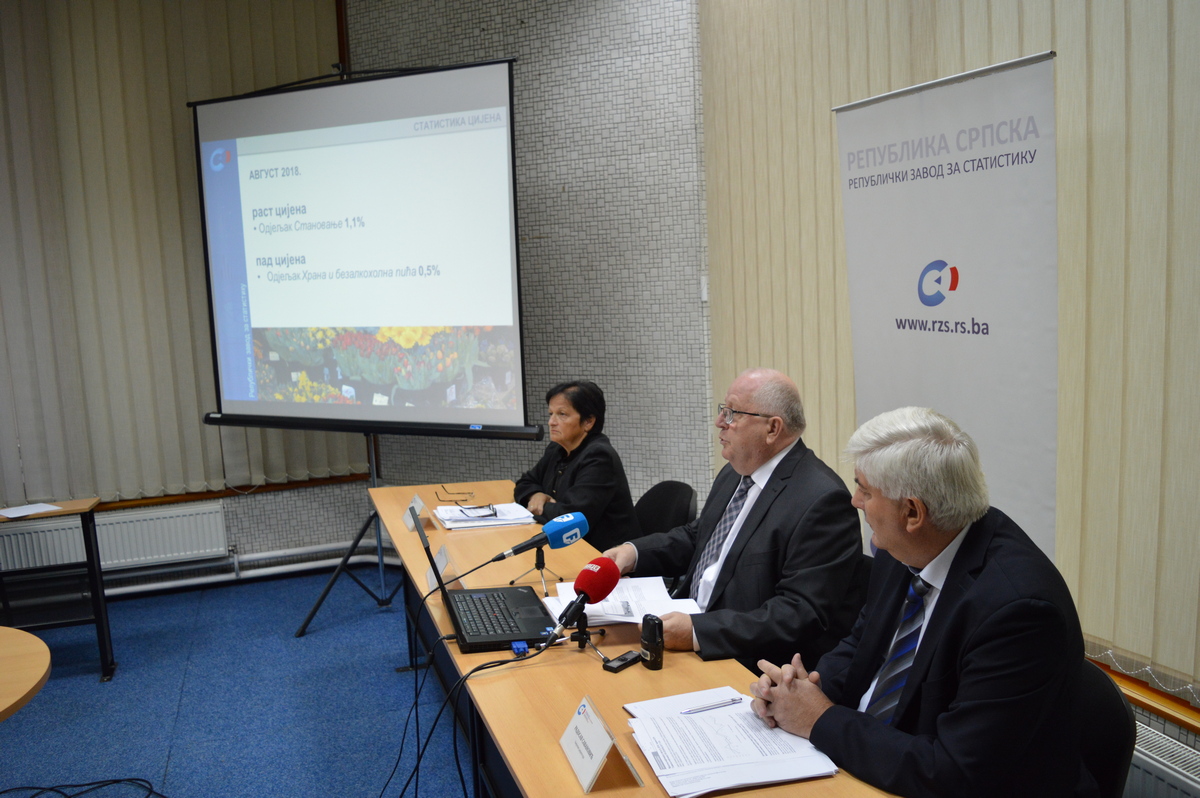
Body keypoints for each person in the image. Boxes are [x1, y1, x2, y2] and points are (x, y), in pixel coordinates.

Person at [749, 407, 1097, 798]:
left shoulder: (1019, 612)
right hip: (878, 764)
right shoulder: (904, 546)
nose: (855, 501)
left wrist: (819, 719)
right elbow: (861, 646)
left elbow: (954, 773)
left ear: (912, 512)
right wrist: (796, 691)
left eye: (865, 490)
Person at [602, 368, 867, 671]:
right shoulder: (735, 472)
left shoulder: (821, 500)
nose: (719, 422)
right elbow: (699, 537)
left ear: (772, 428)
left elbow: (799, 612)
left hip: (740, 661)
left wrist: (698, 632)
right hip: (682, 633)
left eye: (732, 413)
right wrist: (633, 553)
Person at [515, 380, 642, 553]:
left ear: (588, 421)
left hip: (603, 555)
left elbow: (571, 519)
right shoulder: (557, 449)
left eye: (562, 414)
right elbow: (524, 482)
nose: (551, 422)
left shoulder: (599, 457)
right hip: (568, 547)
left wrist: (538, 506)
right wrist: (536, 495)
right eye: (551, 414)